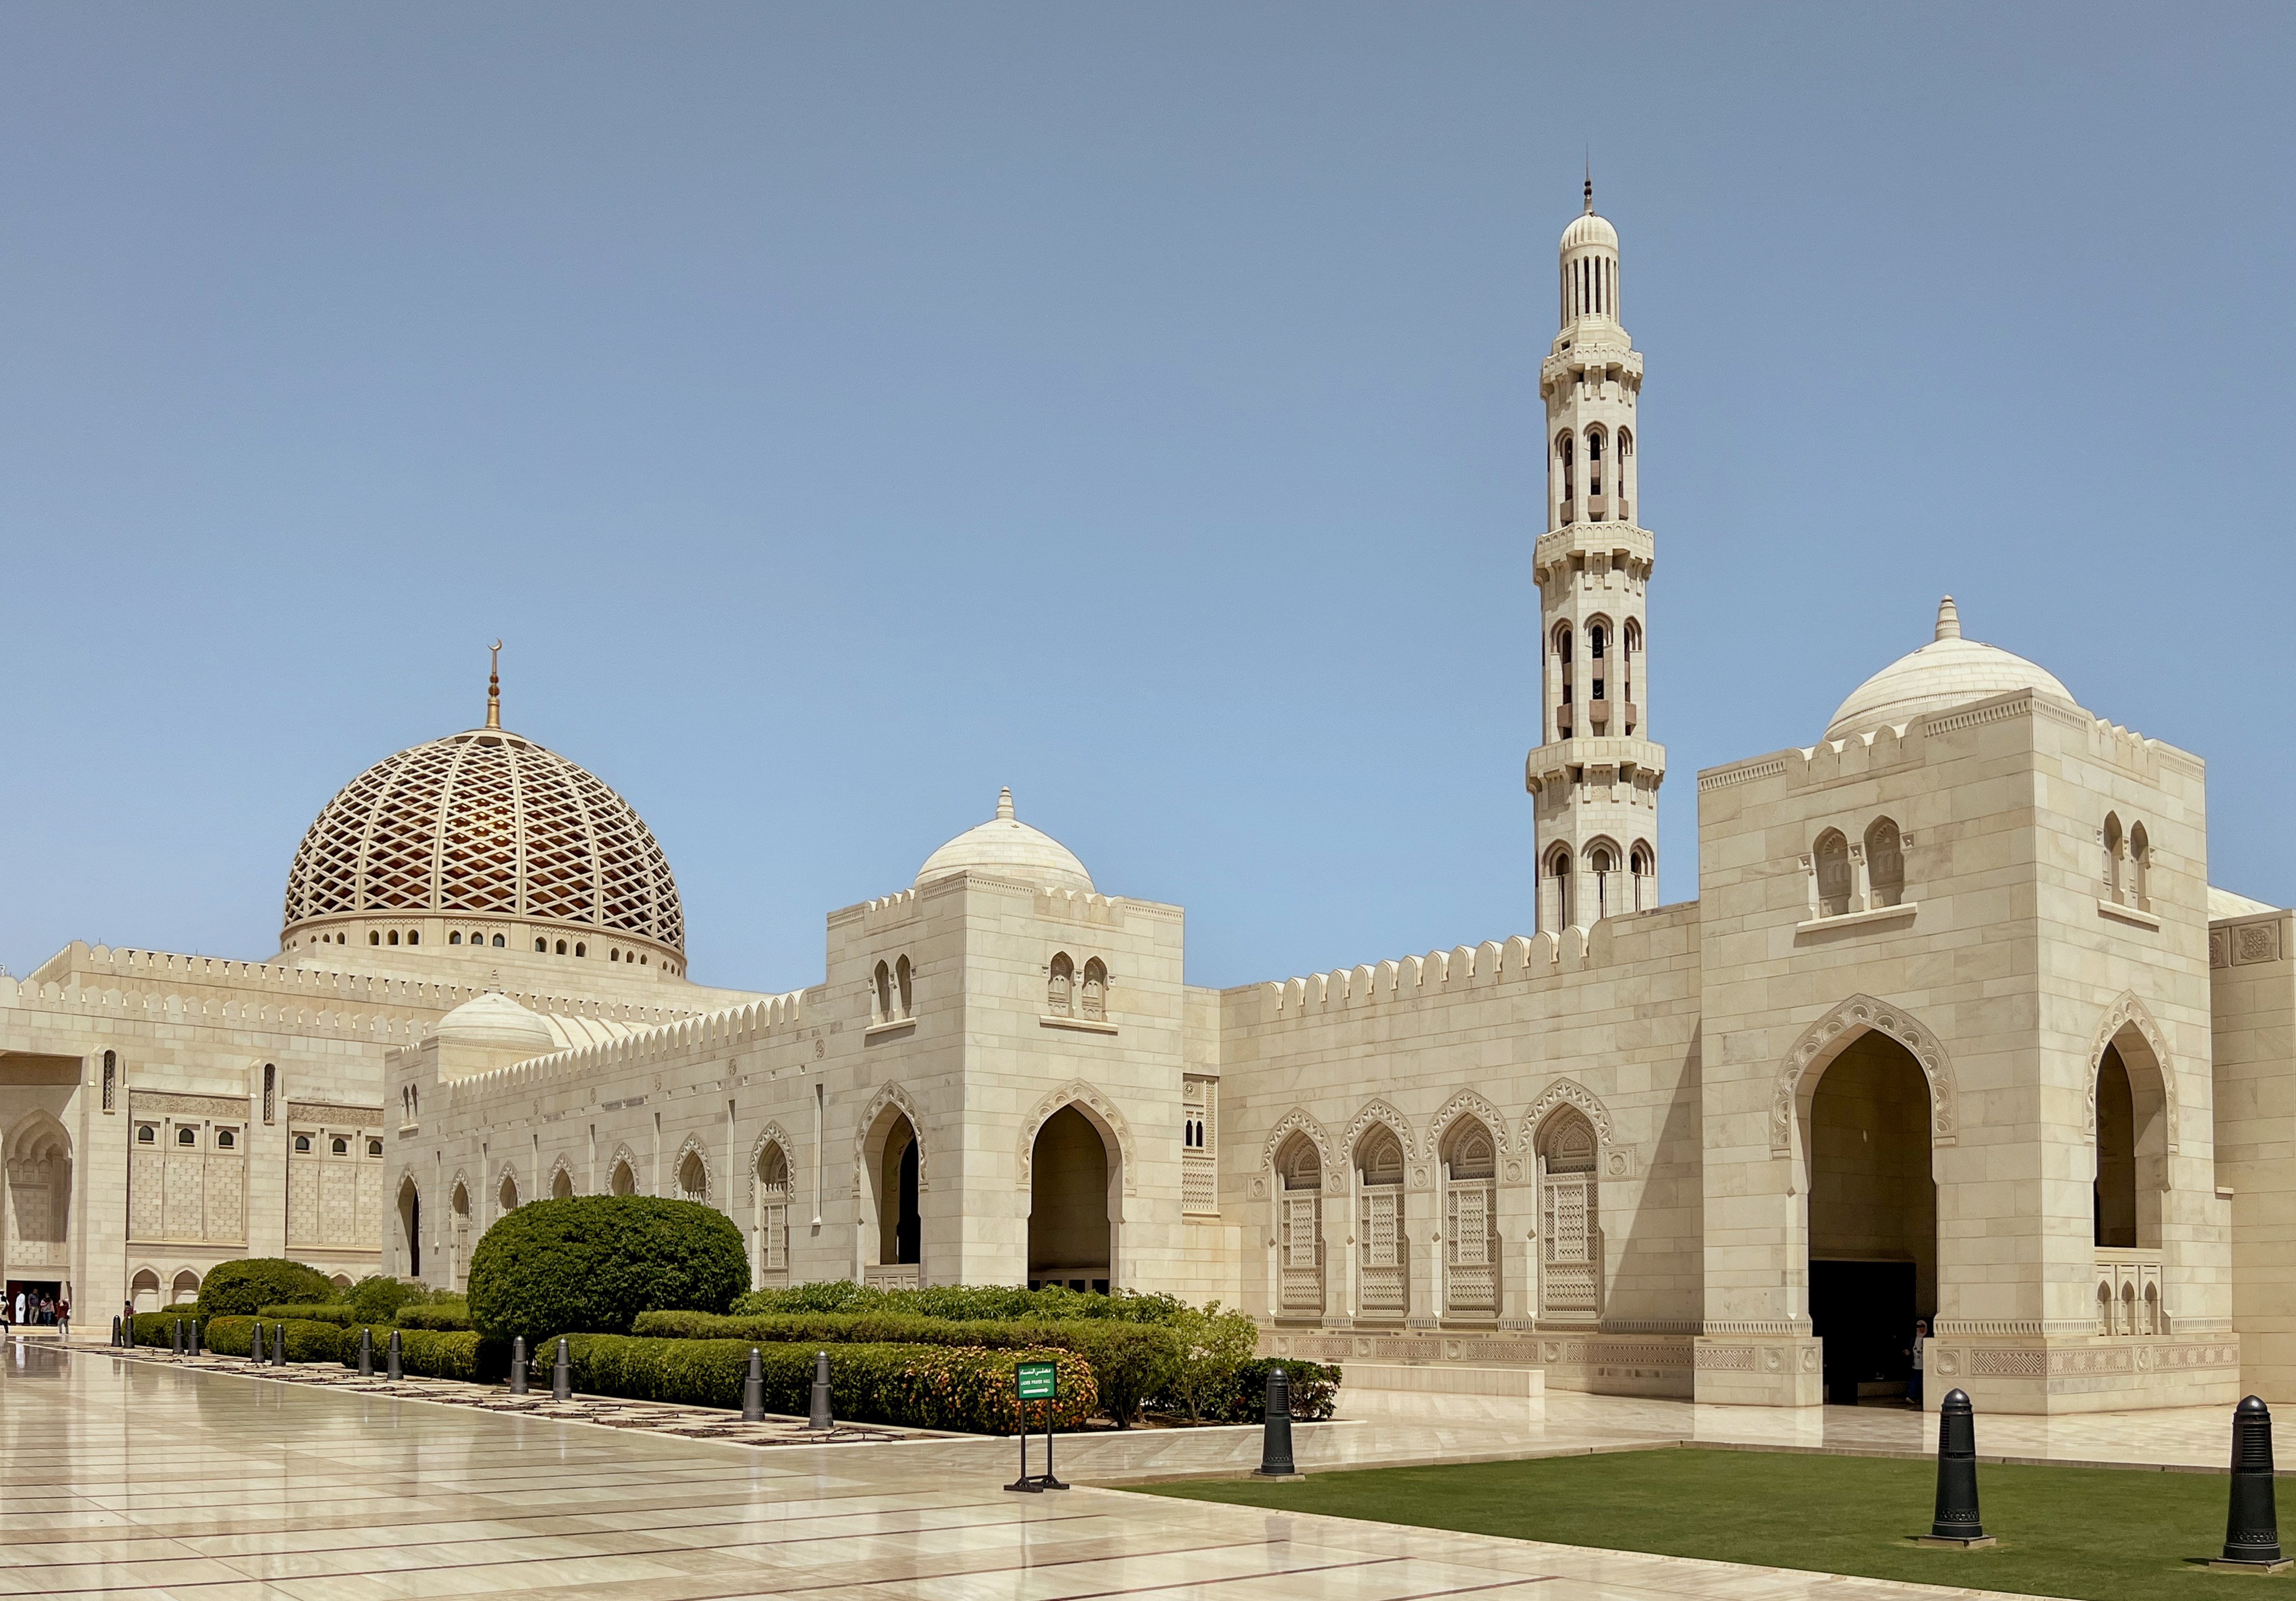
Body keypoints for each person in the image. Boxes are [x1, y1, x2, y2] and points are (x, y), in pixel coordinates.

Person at [1908, 1318, 1928, 1407]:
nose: (1920, 1329)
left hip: (1926, 1364)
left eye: (1922, 1326)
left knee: (1923, 1382)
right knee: (1915, 1381)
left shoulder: (1928, 1338)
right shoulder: (1914, 1339)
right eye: (1918, 1327)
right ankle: (1912, 1397)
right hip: (1916, 1364)